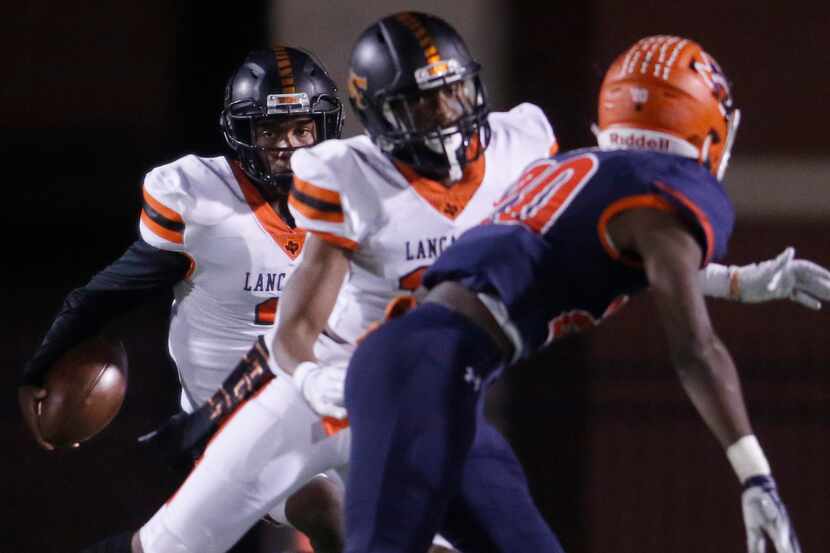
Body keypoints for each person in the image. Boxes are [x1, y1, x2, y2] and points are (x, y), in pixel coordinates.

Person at [110, 15, 829, 553]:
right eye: (425, 106)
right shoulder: (349, 176)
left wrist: (733, 281)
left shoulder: (527, 152)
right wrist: (315, 383)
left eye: (454, 97)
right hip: (333, 388)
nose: (447, 118)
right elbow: (294, 327)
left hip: (436, 382)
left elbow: (627, 249)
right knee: (171, 543)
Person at [341, 34, 815, 553]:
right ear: (707, 126)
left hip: (432, 367)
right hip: (430, 369)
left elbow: (620, 255)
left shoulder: (575, 171)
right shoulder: (665, 192)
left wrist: (736, 282)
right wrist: (756, 476)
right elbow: (696, 349)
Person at [18, 46, 348, 551]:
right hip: (234, 416)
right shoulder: (204, 205)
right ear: (242, 134)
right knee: (331, 515)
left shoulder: (352, 193)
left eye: (302, 128)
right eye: (270, 131)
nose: (289, 145)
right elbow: (103, 297)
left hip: (327, 399)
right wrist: (39, 371)